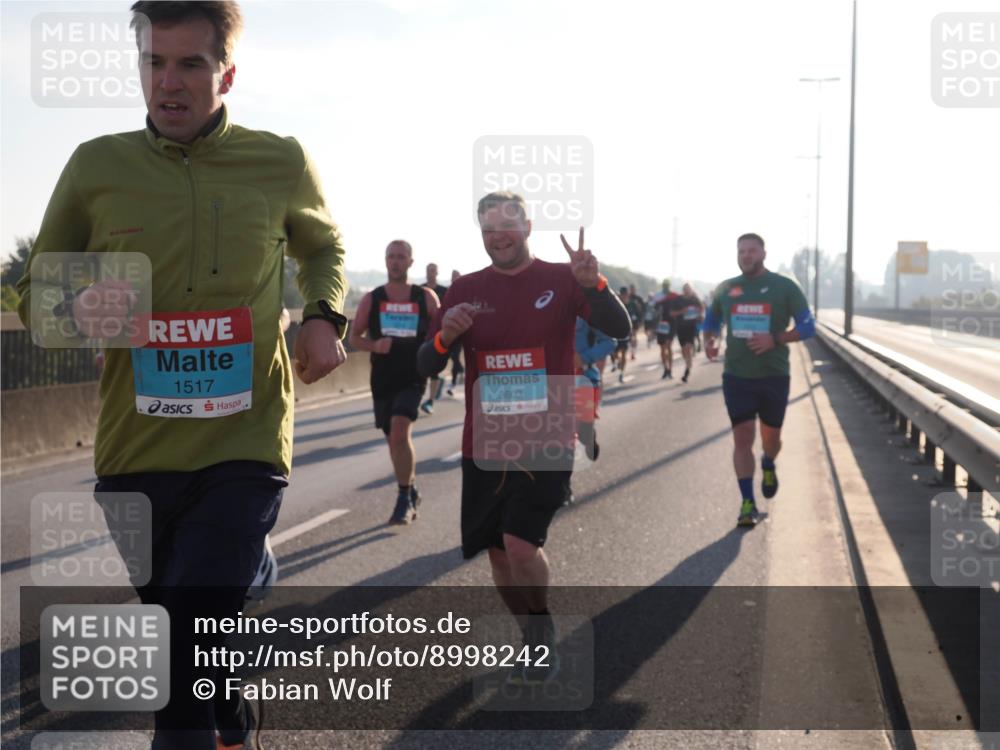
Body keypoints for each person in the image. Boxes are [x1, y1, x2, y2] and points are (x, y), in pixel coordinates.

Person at [16, 3, 349, 748]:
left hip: (246, 441)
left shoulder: (281, 160)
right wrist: (76, 301)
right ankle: (231, 701)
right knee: (191, 637)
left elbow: (324, 248)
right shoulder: (95, 167)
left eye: (190, 65)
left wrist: (326, 313)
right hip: (137, 451)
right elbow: (33, 290)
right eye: (153, 63)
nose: (169, 83)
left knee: (176, 658)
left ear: (225, 73)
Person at [417, 191, 630, 683]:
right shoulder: (466, 289)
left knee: (518, 545)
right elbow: (426, 364)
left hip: (546, 437)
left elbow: (618, 327)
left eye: (507, 224)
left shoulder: (562, 278)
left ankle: (541, 626)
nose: (498, 235)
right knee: (496, 554)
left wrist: (594, 284)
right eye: (488, 228)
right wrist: (447, 335)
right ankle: (532, 631)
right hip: (485, 444)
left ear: (528, 225)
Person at [703, 233, 815, 527]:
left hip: (773, 375)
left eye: (752, 251)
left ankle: (768, 462)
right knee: (742, 438)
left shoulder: (785, 287)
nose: (746, 256)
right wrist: (710, 339)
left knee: (771, 438)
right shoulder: (727, 289)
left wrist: (775, 338)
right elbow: (711, 319)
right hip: (737, 376)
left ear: (763, 253)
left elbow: (808, 326)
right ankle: (747, 503)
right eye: (741, 251)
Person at [350, 241, 439, 525]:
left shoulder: (425, 297)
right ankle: (411, 488)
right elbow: (354, 338)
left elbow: (443, 333)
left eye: (401, 257)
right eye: (391, 257)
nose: (396, 261)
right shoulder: (372, 299)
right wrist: (376, 346)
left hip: (413, 376)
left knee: (401, 433)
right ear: (386, 261)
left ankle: (403, 499)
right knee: (394, 443)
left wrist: (433, 353)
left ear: (411, 262)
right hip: (383, 379)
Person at [574, 316, 617, 460]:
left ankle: (588, 436)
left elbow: (609, 342)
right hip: (547, 380)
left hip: (583, 378)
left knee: (583, 434)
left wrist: (583, 358)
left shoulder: (584, 310)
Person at [420, 262, 449, 413]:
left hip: (438, 335)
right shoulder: (419, 291)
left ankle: (430, 401)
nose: (430, 272)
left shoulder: (445, 291)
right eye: (428, 270)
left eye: (433, 270)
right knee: (419, 368)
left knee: (433, 370)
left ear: (437, 273)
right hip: (419, 336)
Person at [675, 282, 704, 383]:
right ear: (683, 290)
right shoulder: (678, 300)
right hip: (680, 327)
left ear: (691, 290)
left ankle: (687, 371)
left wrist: (700, 315)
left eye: (688, 289)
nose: (686, 291)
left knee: (688, 348)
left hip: (691, 327)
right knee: (684, 350)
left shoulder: (695, 299)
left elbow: (701, 309)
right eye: (685, 289)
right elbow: (672, 313)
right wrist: (682, 311)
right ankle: (688, 362)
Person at [654, 279, 681, 379]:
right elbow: (654, 309)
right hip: (661, 324)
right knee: (662, 347)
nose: (666, 286)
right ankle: (665, 368)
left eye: (667, 285)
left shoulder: (674, 296)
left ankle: (670, 369)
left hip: (671, 323)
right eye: (664, 285)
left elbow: (679, 307)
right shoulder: (658, 296)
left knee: (669, 345)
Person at [612, 286, 632, 383]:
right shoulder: (614, 302)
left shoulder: (631, 304)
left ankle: (621, 374)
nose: (623, 296)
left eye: (625, 294)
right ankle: (618, 361)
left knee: (624, 352)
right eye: (622, 294)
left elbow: (635, 316)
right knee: (614, 352)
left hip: (626, 332)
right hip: (615, 331)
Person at [626, 284, 645, 360]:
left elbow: (643, 309)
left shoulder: (639, 298)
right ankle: (630, 349)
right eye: (631, 289)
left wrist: (641, 320)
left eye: (633, 289)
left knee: (634, 335)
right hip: (627, 320)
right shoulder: (626, 296)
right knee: (629, 337)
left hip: (635, 320)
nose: (632, 291)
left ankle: (633, 352)